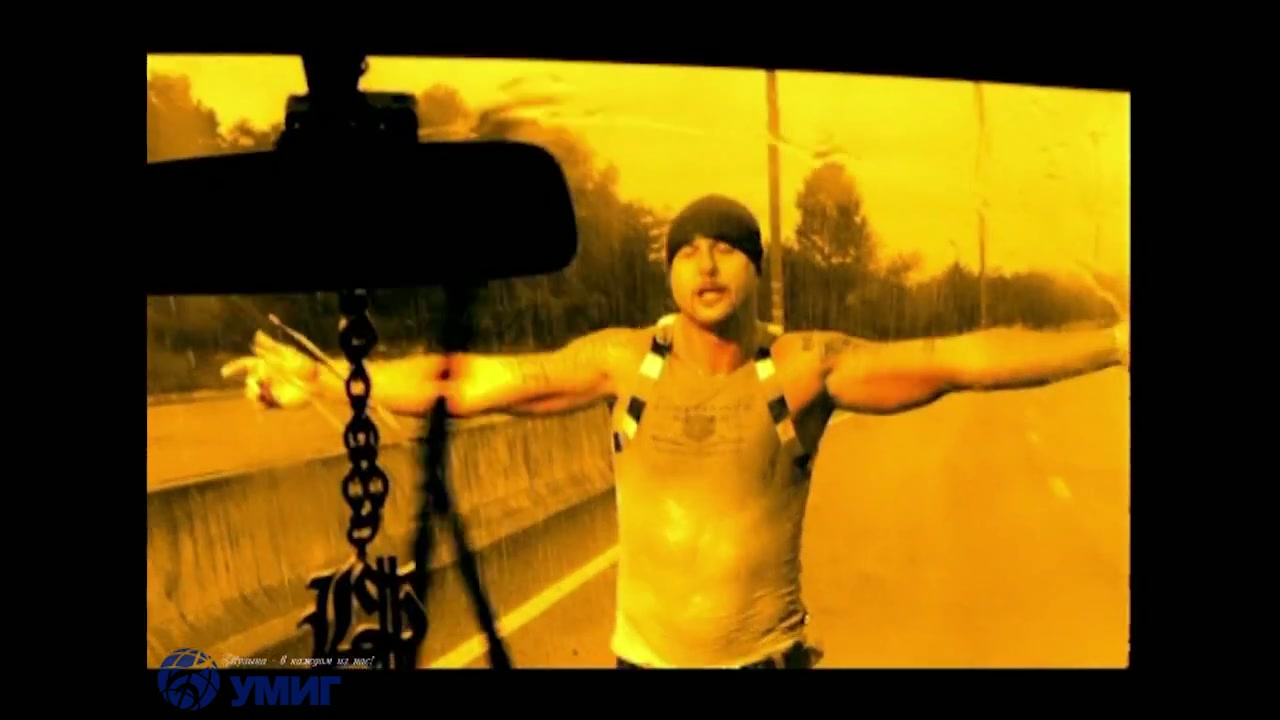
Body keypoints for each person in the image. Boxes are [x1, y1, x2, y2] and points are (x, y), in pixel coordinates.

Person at [223, 194, 1130, 670]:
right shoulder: (624, 364)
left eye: (727, 244)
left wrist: (1116, 343)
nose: (706, 260)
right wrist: (329, 379)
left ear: (756, 269)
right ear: (670, 274)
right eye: (688, 248)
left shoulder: (803, 368)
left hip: (764, 666)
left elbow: (962, 358)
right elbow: (470, 382)